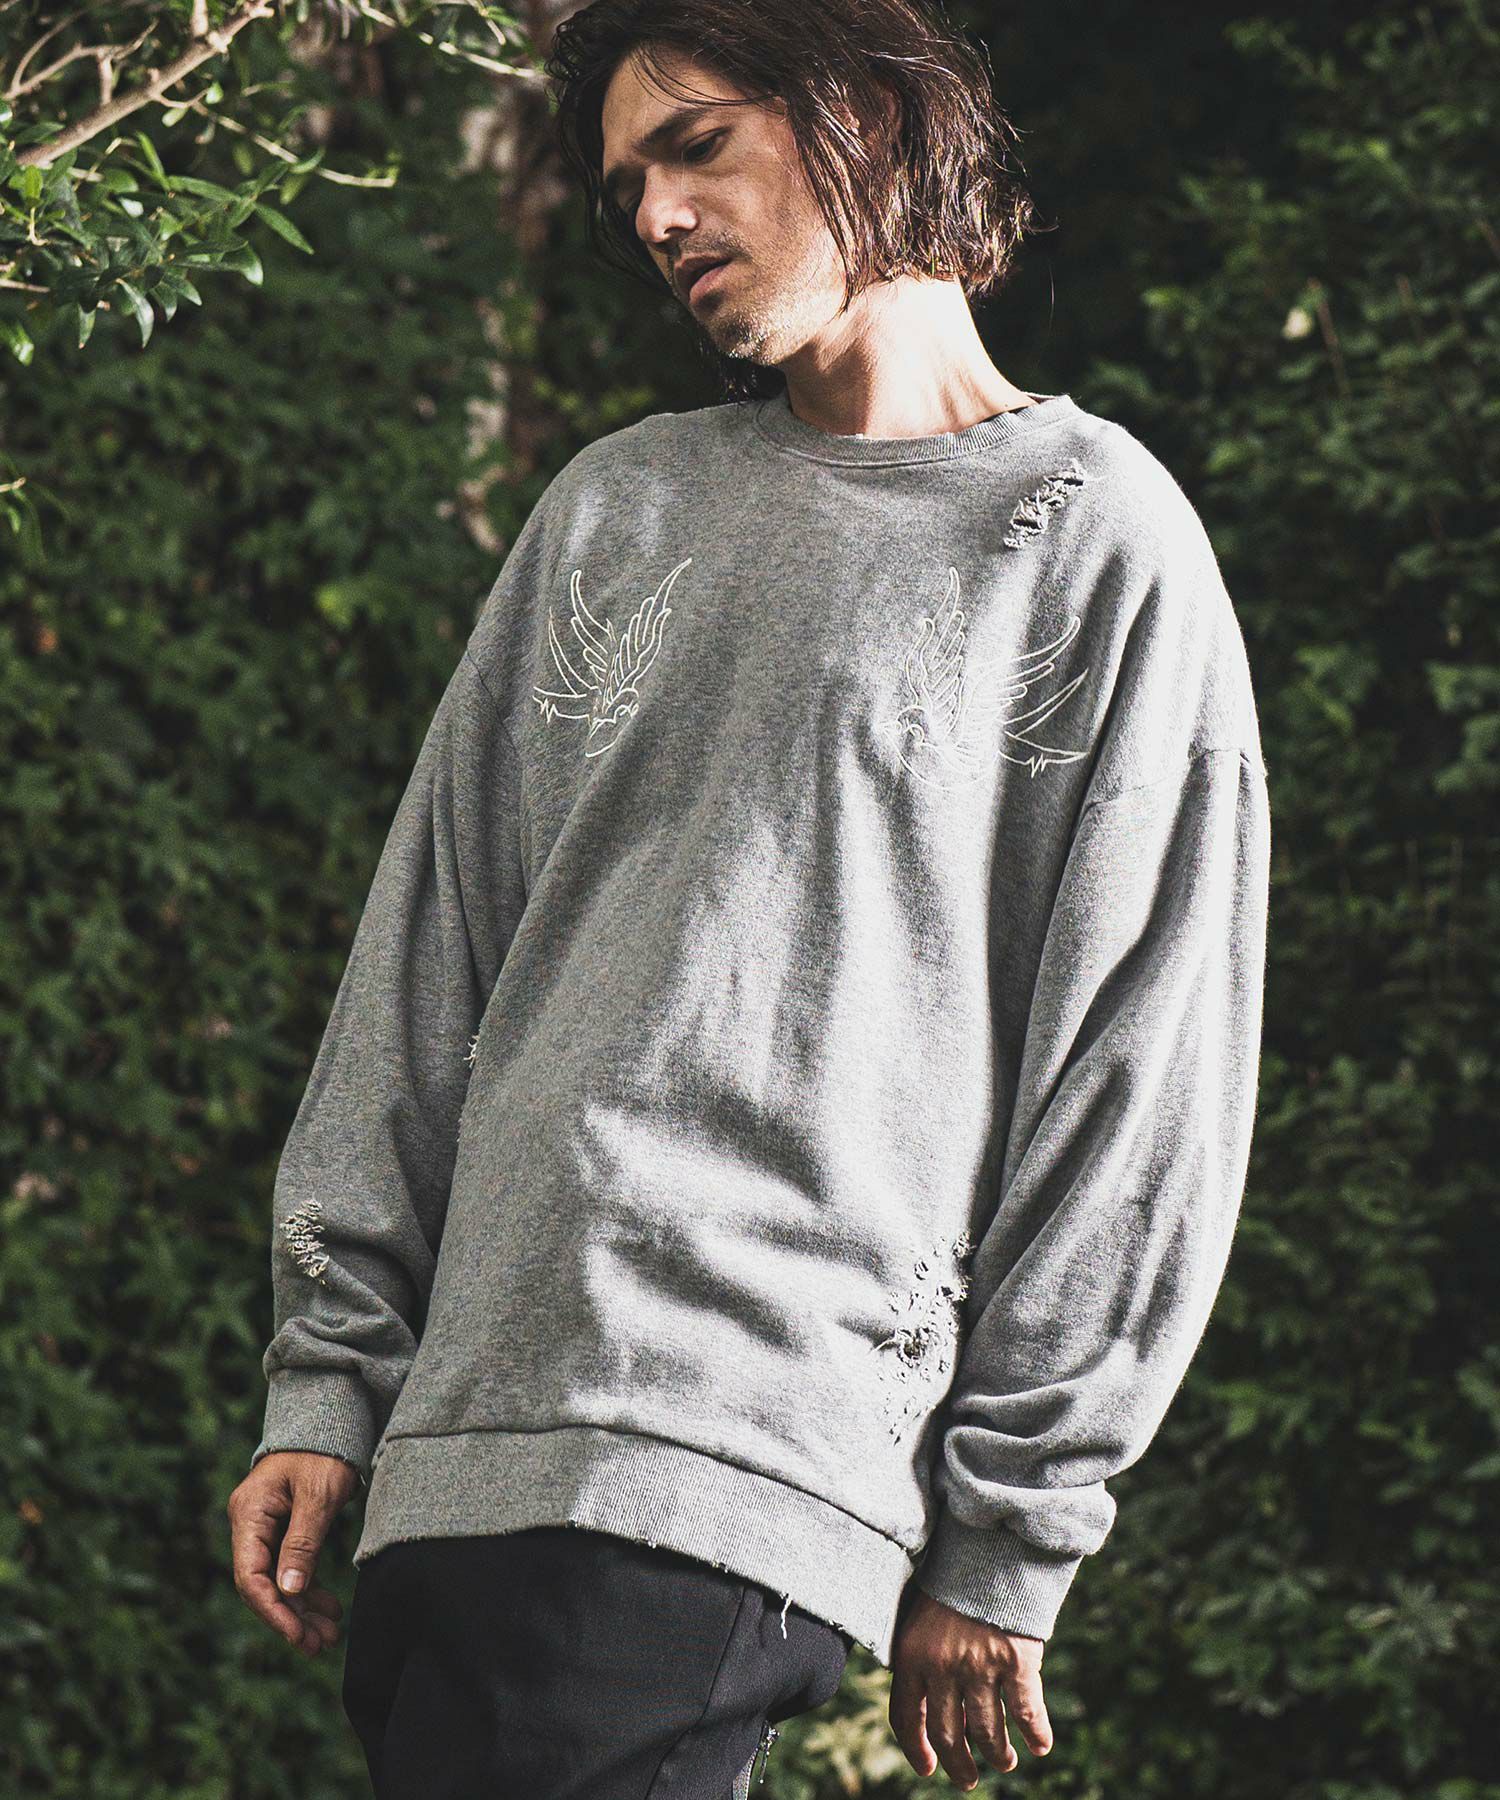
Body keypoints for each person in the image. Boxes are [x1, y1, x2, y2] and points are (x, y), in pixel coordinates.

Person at [225, 1, 1272, 1794]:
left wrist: (1014, 1529)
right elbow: (429, 957)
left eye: (697, 146)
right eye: (626, 184)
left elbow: (1143, 1074)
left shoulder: (1090, 540)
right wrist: (333, 1375)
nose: (656, 216)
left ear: (865, 111)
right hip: (463, 1459)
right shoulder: (614, 512)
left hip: (731, 1454)